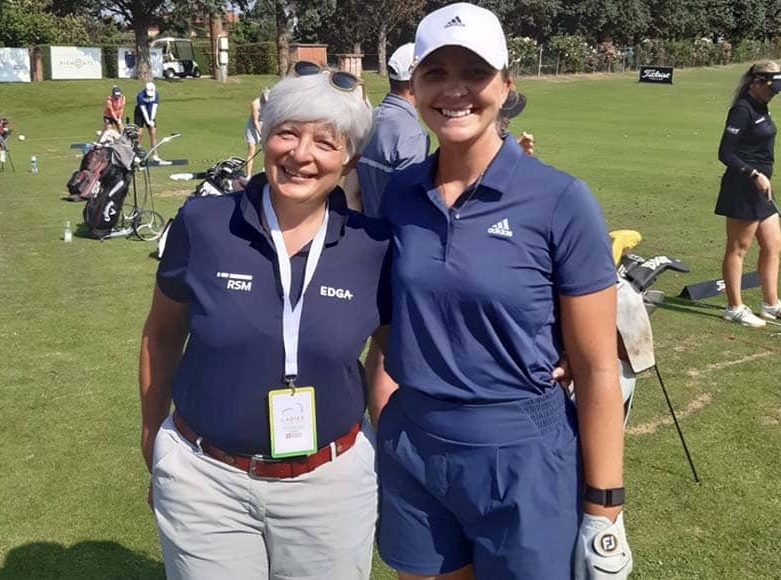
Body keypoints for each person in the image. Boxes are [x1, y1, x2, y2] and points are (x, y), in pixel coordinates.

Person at [367, 4, 632, 579]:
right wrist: (387, 405)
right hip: (414, 445)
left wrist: (604, 509)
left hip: (522, 453)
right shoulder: (401, 193)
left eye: (475, 73)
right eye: (436, 73)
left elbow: (597, 369)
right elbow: (392, 319)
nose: (454, 90)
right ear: (413, 87)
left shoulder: (560, 199)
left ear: (506, 85)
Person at [140, 67, 386, 580]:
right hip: (204, 479)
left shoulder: (374, 246)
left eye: (325, 141)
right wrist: (151, 433)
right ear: (264, 136)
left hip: (329, 485)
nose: (301, 154)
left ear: (349, 161)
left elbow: (388, 357)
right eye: (288, 132)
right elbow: (161, 335)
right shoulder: (203, 223)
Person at [715, 60, 781, 327]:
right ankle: (734, 307)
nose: (776, 93)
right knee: (738, 248)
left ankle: (771, 304)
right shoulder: (742, 110)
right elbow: (725, 153)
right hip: (742, 188)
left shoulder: (761, 106)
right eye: (772, 88)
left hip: (761, 188)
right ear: (757, 83)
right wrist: (754, 174)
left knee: (772, 244)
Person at [348, 43, 430, 216]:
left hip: (363, 230)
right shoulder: (414, 135)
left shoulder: (369, 117)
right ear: (415, 82)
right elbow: (408, 203)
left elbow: (352, 191)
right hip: (390, 237)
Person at [244, 87, 269, 178]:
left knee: (267, 150)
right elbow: (255, 121)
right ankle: (248, 175)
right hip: (252, 127)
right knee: (251, 150)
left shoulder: (270, 102)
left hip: (264, 125)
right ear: (261, 96)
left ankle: (265, 171)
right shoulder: (255, 103)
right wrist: (261, 135)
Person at [135, 81, 161, 161]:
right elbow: (143, 110)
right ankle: (136, 155)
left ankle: (155, 155)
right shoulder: (140, 96)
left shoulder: (156, 94)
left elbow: (154, 108)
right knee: (139, 134)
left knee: (153, 133)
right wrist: (148, 120)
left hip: (150, 114)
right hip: (140, 114)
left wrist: (152, 119)